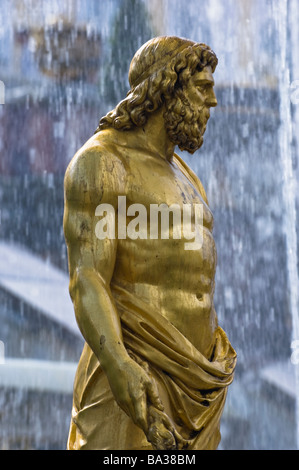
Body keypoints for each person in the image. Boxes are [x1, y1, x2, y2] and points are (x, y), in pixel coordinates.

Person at [64, 36, 236, 450]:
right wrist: (119, 363)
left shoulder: (186, 177)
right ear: (166, 88)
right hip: (134, 386)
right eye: (202, 89)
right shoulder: (104, 163)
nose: (212, 103)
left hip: (198, 391)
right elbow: (87, 278)